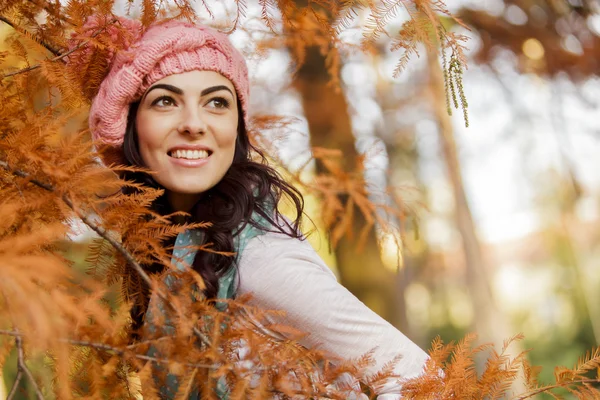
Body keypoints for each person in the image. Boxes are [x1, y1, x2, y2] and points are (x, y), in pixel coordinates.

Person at [86, 16, 429, 399]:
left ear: (237, 128)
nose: (194, 124)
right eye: (166, 101)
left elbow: (421, 378)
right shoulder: (175, 253)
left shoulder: (259, 255)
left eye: (216, 102)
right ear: (130, 125)